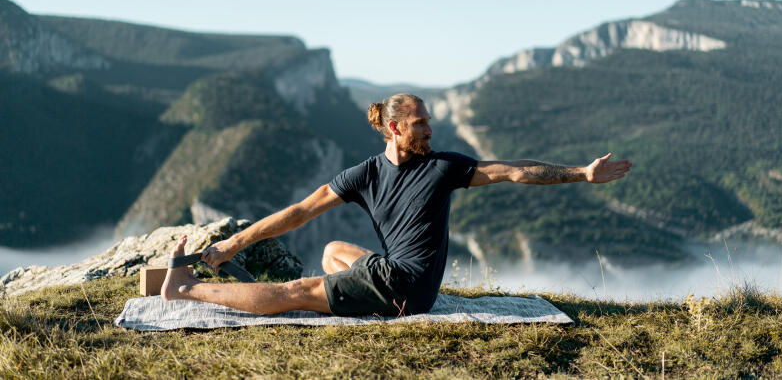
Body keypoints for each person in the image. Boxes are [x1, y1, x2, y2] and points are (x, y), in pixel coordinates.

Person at [161, 93, 632, 316]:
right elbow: (301, 212)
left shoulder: (445, 166)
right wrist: (233, 244)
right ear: (395, 129)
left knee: (295, 293)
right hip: (394, 273)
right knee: (333, 253)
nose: (430, 130)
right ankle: (339, 291)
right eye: (421, 123)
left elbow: (513, 169)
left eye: (429, 121)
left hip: (404, 288)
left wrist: (581, 173)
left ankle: (183, 291)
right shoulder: (364, 173)